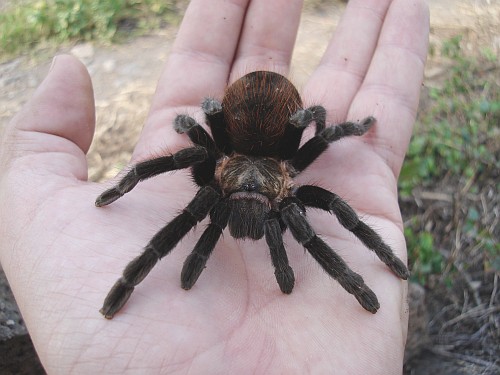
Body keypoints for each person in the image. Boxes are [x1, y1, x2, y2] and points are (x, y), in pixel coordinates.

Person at [0, 0, 429, 373]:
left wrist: (342, 126)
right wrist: (122, 185)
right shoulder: (218, 177)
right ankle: (127, 286)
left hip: (265, 136)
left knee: (334, 208)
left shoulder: (266, 186)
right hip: (246, 145)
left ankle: (371, 273)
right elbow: (192, 129)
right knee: (192, 167)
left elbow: (315, 127)